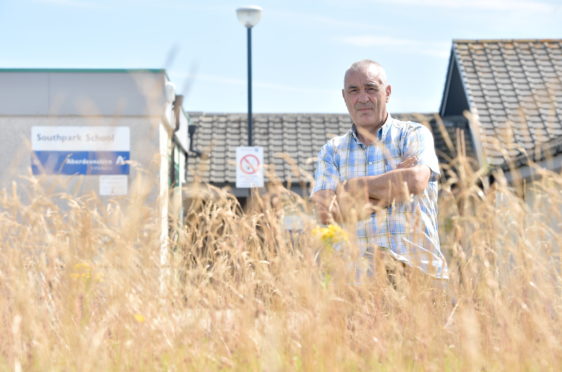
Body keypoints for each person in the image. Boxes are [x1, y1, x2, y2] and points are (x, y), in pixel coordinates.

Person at [311, 59, 448, 280]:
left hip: (419, 278)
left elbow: (415, 181)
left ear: (388, 92)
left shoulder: (413, 135)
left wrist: (353, 188)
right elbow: (326, 213)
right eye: (354, 91)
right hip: (355, 283)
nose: (363, 98)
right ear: (344, 96)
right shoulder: (332, 151)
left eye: (371, 89)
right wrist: (393, 185)